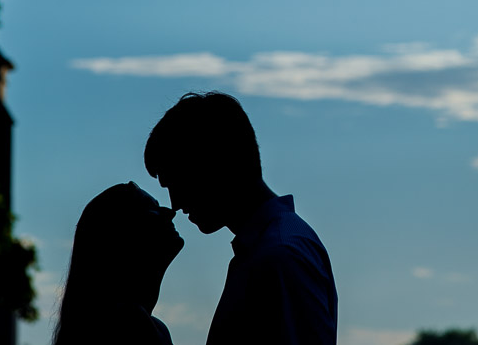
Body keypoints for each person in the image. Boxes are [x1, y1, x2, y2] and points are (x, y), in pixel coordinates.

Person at [144, 91, 338, 345]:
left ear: (215, 164)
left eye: (178, 182)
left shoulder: (278, 257)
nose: (175, 204)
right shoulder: (273, 249)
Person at [52, 182, 184, 345]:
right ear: (122, 235)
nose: (170, 212)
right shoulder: (130, 324)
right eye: (151, 209)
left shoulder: (127, 321)